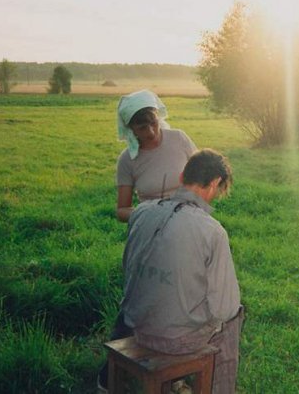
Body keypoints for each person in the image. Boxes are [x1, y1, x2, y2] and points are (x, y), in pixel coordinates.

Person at [99, 149, 243, 394]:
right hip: (176, 342)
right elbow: (225, 308)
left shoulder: (141, 212)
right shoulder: (212, 231)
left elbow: (129, 268)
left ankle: (170, 383)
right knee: (233, 318)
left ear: (181, 177)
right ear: (216, 183)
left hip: (137, 327)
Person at [116, 89, 197, 222]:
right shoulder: (127, 159)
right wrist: (150, 213)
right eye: (142, 128)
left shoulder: (179, 138)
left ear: (158, 117)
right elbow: (122, 211)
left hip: (188, 217)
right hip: (152, 224)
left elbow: (202, 176)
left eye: (154, 123)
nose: (151, 132)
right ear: (131, 129)